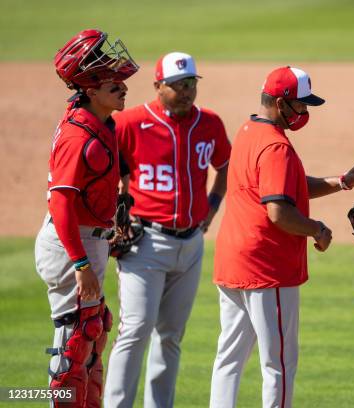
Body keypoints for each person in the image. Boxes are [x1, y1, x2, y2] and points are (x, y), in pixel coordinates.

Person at [209, 66, 354, 408]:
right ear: (280, 103)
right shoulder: (276, 147)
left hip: (232, 262)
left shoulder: (248, 130)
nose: (305, 112)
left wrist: (344, 181)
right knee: (280, 365)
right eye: (301, 105)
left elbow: (289, 187)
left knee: (229, 357)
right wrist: (318, 229)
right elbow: (279, 212)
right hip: (266, 269)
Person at [104, 52, 232, 408]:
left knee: (171, 336)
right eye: (177, 85)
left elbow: (225, 165)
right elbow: (102, 168)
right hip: (145, 244)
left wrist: (212, 206)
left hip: (191, 245)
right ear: (158, 86)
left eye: (190, 83)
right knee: (135, 330)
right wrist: (115, 212)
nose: (186, 91)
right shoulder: (129, 123)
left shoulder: (210, 123)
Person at [34, 29, 138, 407]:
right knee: (74, 346)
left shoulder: (96, 118)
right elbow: (61, 205)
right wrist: (80, 263)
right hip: (69, 244)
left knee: (92, 340)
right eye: (113, 82)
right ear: (90, 89)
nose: (123, 86)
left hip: (87, 237)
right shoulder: (78, 137)